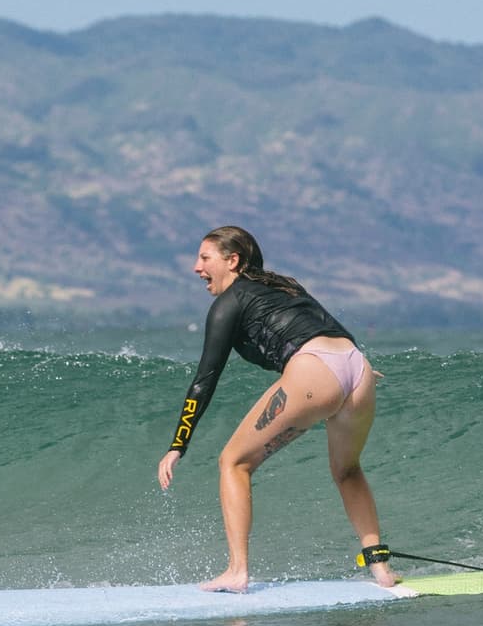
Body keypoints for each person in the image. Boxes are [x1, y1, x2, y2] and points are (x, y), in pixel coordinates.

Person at [156, 226, 396, 593]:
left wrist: (178, 445)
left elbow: (205, 378)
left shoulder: (228, 303)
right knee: (347, 470)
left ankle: (237, 571)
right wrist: (351, 371)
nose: (196, 267)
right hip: (357, 366)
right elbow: (329, 327)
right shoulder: (284, 286)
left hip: (316, 369)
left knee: (234, 462)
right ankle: (381, 568)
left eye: (204, 258)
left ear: (232, 260)